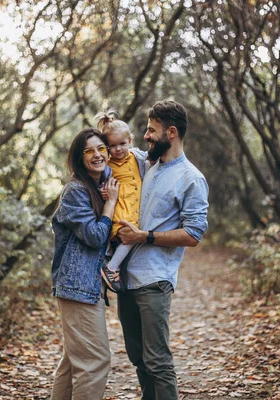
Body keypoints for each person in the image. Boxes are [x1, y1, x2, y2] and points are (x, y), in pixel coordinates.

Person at [116, 100, 209, 400]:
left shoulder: (190, 178)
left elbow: (194, 234)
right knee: (137, 356)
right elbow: (116, 149)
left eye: (151, 131)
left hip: (155, 280)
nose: (146, 136)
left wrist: (145, 236)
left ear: (171, 132)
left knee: (157, 360)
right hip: (126, 278)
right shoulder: (148, 164)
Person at [50, 127, 120, 400]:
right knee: (95, 361)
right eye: (89, 150)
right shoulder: (76, 191)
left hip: (85, 287)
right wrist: (110, 205)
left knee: (72, 363)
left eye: (101, 148)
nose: (97, 155)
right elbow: (94, 236)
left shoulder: (99, 185)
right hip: (76, 288)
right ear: (79, 158)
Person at [94, 110, 149, 293]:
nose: (118, 149)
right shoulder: (107, 165)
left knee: (134, 236)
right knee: (129, 235)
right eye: (113, 146)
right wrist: (103, 191)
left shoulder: (138, 157)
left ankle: (116, 267)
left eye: (122, 144)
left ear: (130, 141)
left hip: (136, 206)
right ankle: (111, 267)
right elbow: (101, 184)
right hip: (121, 207)